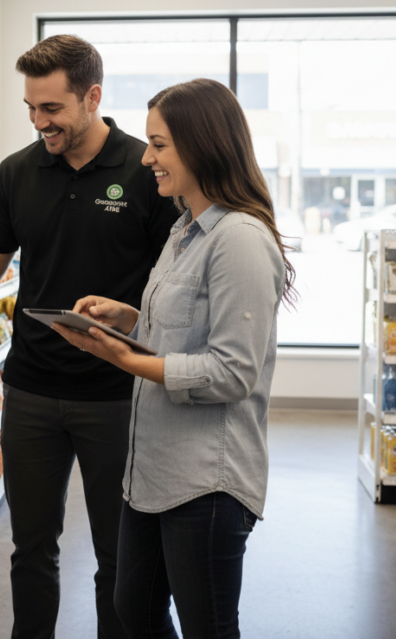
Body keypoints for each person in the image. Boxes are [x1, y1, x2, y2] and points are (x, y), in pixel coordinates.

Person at [0, 35, 176, 639]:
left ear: (92, 97)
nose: (38, 121)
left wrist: (130, 314)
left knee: (119, 555)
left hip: (117, 392)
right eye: (30, 107)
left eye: (52, 109)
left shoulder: (144, 169)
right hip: (32, 392)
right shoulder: (17, 172)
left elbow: (172, 282)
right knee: (32, 551)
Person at [50, 78, 297, 639]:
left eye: (158, 145)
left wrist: (123, 358)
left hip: (206, 482)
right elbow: (188, 331)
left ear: (201, 145)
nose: (146, 158)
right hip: (152, 474)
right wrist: (130, 320)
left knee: (207, 626)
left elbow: (233, 371)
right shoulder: (185, 229)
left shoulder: (238, 239)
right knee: (133, 610)